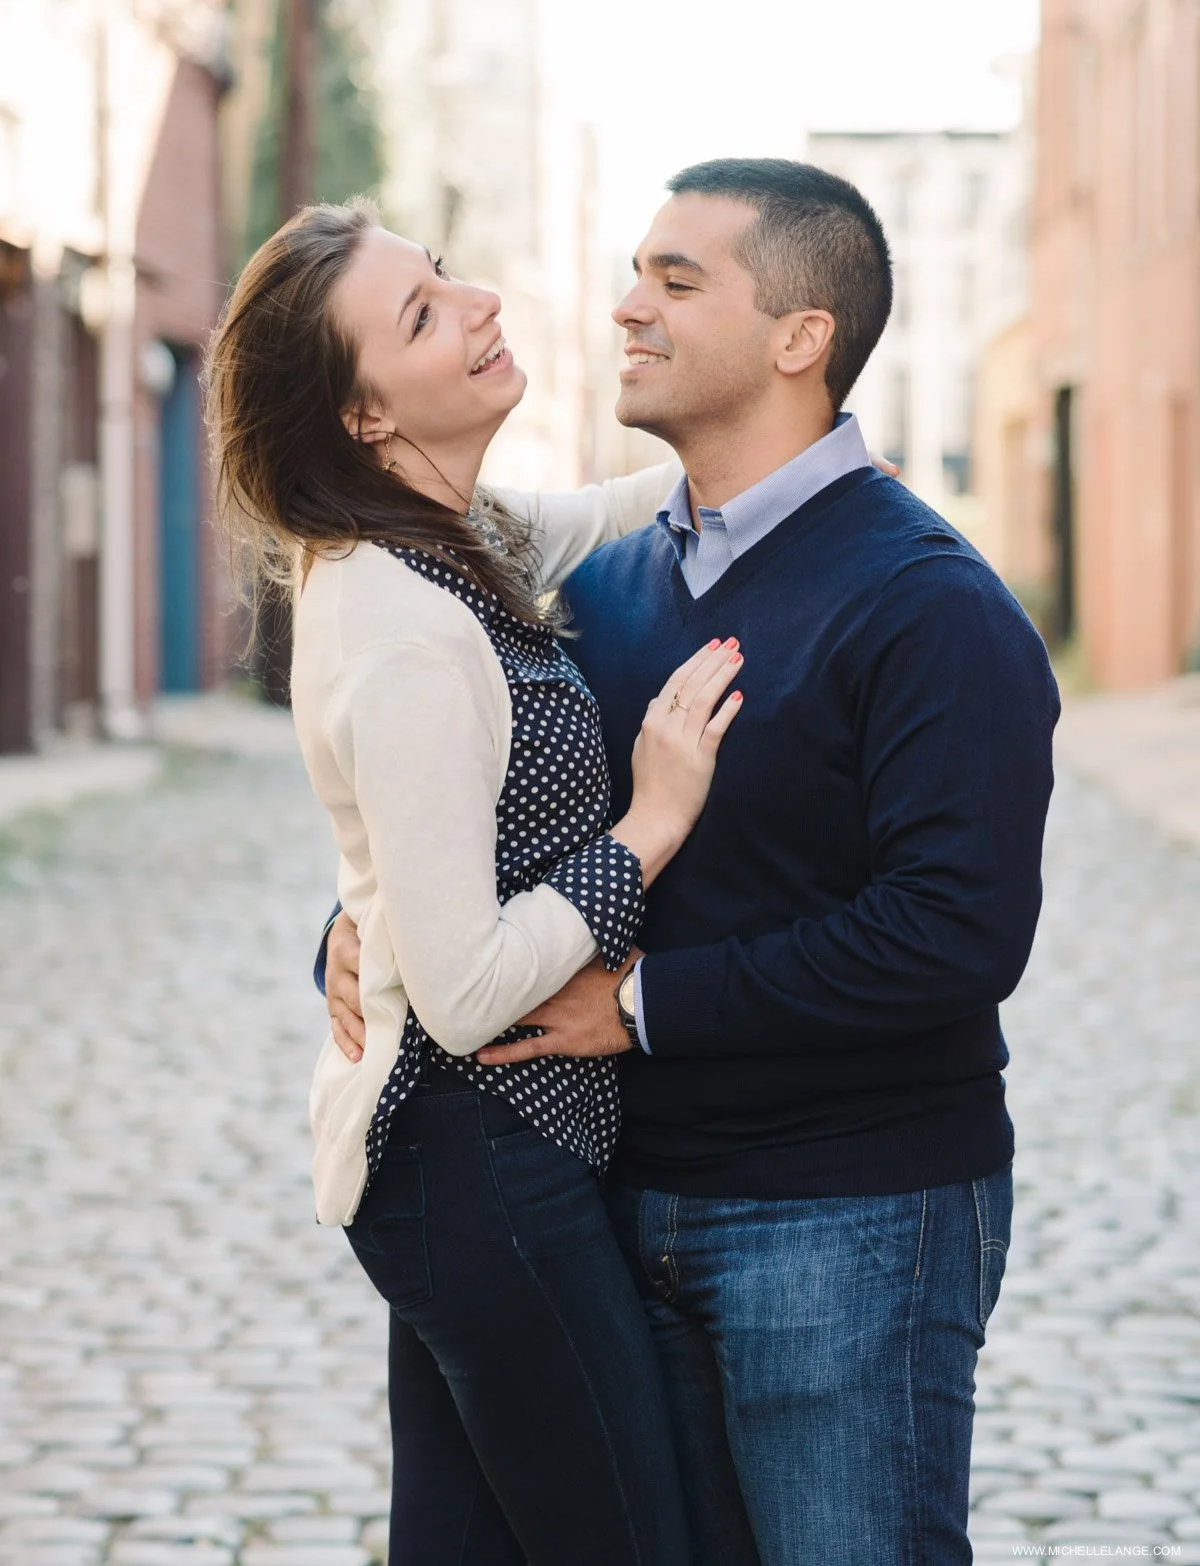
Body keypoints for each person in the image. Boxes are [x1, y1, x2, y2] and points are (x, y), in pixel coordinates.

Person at [325, 158, 1061, 1566]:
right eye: (634, 275)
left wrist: (644, 1004)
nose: (626, 308)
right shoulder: (601, 586)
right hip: (614, 1207)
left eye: (677, 281)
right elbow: (483, 821)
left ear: (802, 336)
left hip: (849, 1217)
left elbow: (954, 934)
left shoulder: (934, 608)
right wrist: (359, 933)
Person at [203, 196, 751, 1566]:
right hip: (476, 1162)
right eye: (424, 314)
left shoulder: (455, 534)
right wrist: (652, 824)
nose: (479, 301)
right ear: (365, 420)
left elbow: (620, 509)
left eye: (443, 275)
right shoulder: (396, 622)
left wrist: (778, 448)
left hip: (480, 1167)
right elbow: (458, 991)